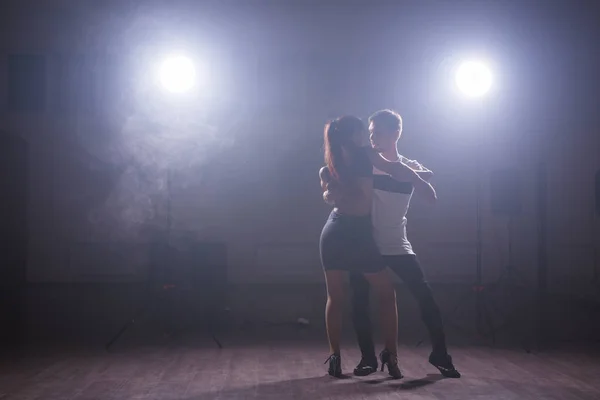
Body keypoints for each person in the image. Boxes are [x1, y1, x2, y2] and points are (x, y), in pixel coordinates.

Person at [323, 109, 461, 378]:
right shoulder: (366, 161)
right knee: (359, 302)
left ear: (396, 133)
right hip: (366, 243)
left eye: (378, 133)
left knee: (426, 298)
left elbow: (430, 197)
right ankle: (368, 359)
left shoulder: (407, 165)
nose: (372, 138)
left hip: (398, 244)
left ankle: (441, 355)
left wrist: (414, 175)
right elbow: (343, 184)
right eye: (370, 132)